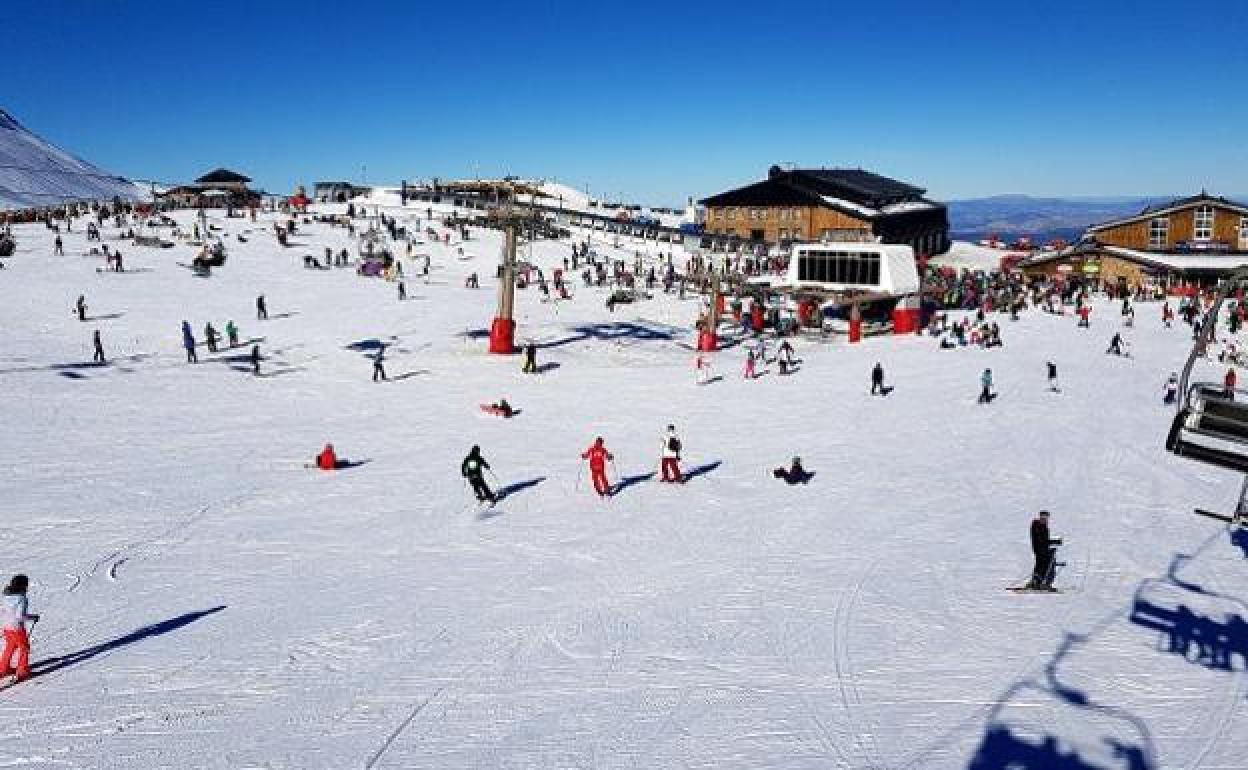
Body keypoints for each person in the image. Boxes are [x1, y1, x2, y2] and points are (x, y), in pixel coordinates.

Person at [1, 575, 40, 682]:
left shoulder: (6, 596)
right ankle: (22, 672)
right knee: (24, 648)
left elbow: (3, 611)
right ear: (23, 586)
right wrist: (33, 617)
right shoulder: (21, 599)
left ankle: (3, 669)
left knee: (11, 646)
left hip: (7, 627)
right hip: (17, 628)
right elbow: (20, 616)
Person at [1028, 511, 1062, 590]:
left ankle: (1042, 582)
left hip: (1044, 549)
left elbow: (1045, 541)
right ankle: (1038, 582)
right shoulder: (1037, 525)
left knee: (1047, 566)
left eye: (1046, 518)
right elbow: (1041, 540)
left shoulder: (1044, 527)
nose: (1045, 519)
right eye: (1043, 518)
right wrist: (1054, 542)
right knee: (1042, 566)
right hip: (1039, 550)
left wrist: (1055, 542)